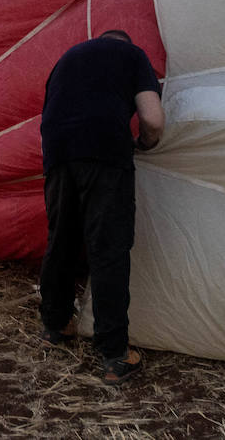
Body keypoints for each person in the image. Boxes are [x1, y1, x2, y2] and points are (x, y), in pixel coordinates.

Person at [38, 29, 165, 385]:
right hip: (106, 155)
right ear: (125, 43)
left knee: (61, 240)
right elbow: (153, 119)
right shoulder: (133, 55)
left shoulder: (67, 58)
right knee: (108, 248)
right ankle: (115, 354)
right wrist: (145, 143)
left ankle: (55, 326)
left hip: (58, 154)